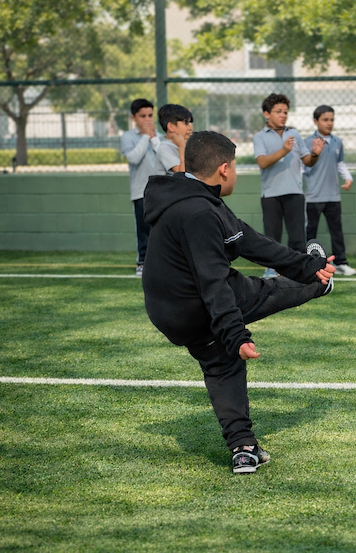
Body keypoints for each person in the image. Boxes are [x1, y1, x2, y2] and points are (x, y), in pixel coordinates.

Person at [142, 130, 336, 474]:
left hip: (167, 313)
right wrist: (237, 335)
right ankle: (320, 286)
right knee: (265, 292)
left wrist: (309, 265)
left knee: (222, 365)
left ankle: (243, 449)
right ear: (224, 169)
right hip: (197, 302)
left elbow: (251, 241)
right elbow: (213, 283)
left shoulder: (189, 196)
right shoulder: (198, 213)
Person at [253, 93, 325, 278]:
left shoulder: (294, 134)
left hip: (294, 193)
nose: (283, 115)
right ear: (267, 114)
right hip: (270, 195)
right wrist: (284, 150)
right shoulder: (260, 137)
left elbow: (308, 161)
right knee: (272, 238)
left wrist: (316, 153)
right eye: (278, 111)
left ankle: (299, 270)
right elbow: (262, 162)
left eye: (285, 112)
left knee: (297, 237)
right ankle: (271, 269)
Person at [303, 105, 356, 276]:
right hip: (312, 197)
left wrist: (348, 178)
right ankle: (306, 264)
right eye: (325, 120)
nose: (329, 123)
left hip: (333, 196)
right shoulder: (306, 142)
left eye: (332, 119)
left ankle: (341, 262)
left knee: (336, 231)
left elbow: (340, 164)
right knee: (309, 231)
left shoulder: (337, 142)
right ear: (315, 121)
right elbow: (301, 167)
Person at [121, 98, 160, 277]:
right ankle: (142, 262)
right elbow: (134, 158)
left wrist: (153, 138)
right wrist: (145, 136)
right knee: (144, 229)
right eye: (142, 116)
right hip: (140, 191)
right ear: (133, 117)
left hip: (160, 190)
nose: (147, 119)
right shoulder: (128, 137)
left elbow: (164, 158)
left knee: (160, 228)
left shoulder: (157, 135)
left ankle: (161, 262)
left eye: (150, 115)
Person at [155, 104, 194, 176]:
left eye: (190, 123)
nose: (190, 128)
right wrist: (182, 146)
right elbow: (182, 175)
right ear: (171, 127)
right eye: (186, 123)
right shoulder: (165, 148)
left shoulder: (187, 144)